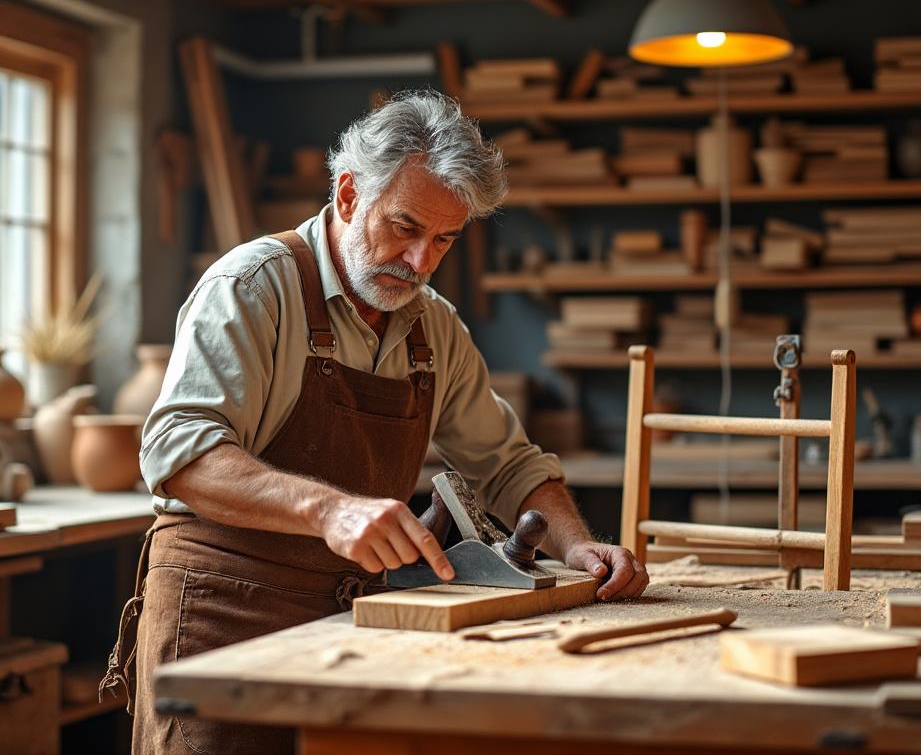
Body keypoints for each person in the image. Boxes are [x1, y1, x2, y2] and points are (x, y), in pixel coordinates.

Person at [102, 90, 649, 754]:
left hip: (353, 631)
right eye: (405, 227)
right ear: (349, 195)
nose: (421, 262)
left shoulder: (432, 326)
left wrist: (574, 547)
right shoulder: (254, 287)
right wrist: (328, 511)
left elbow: (506, 464)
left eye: (444, 239)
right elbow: (179, 455)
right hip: (225, 623)